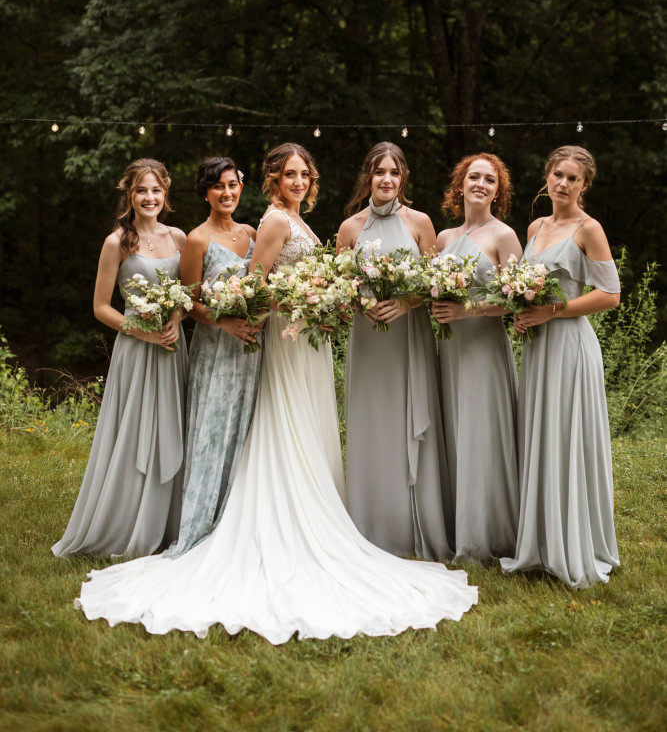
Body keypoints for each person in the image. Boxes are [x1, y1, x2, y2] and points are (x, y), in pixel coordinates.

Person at [75, 143, 477, 643]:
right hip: (288, 339)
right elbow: (254, 283)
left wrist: (324, 301)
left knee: (308, 427)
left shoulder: (295, 220)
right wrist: (289, 308)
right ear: (272, 180)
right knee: (286, 428)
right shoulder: (273, 222)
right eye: (290, 174)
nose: (299, 181)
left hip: (307, 338)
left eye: (304, 174)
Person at [52, 159, 187, 559]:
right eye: (142, 190)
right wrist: (144, 331)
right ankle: (126, 521)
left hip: (174, 347)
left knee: (171, 427)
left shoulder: (178, 236)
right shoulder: (117, 243)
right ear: (129, 194)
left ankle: (169, 523)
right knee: (133, 431)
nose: (150, 198)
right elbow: (101, 307)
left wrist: (176, 318)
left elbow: (188, 291)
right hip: (137, 347)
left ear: (166, 194)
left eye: (156, 190)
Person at [501, 146, 621, 587]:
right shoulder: (535, 227)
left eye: (573, 178)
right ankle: (541, 539)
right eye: (558, 174)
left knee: (568, 435)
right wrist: (518, 309)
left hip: (570, 346)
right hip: (536, 347)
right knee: (541, 433)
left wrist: (551, 312)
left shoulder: (589, 229)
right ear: (546, 177)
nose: (563, 183)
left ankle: (574, 542)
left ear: (583, 185)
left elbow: (610, 294)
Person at [337, 142, 452, 561]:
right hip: (369, 340)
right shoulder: (350, 228)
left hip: (409, 335)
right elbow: (341, 288)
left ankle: (414, 526)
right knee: (373, 421)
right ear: (368, 176)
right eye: (380, 171)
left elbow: (435, 282)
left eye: (395, 172)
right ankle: (371, 527)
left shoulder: (420, 222)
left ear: (403, 178)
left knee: (407, 421)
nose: (387, 179)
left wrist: (405, 303)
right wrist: (364, 305)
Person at [165, 157, 261, 557]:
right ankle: (202, 524)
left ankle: (242, 522)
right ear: (205, 192)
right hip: (217, 349)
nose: (228, 193)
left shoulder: (253, 232)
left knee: (249, 431)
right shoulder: (197, 239)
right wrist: (226, 324)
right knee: (213, 430)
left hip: (254, 350)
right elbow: (188, 303)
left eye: (234, 185)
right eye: (219, 186)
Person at [433, 153, 522, 562]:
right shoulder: (444, 238)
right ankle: (457, 527)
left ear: (497, 190)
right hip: (450, 349)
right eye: (474, 177)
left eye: (490, 179)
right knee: (455, 432)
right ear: (460, 184)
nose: (481, 184)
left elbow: (518, 301)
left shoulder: (504, 236)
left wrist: (467, 310)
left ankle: (489, 534)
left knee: (482, 433)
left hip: (485, 347)